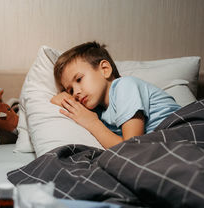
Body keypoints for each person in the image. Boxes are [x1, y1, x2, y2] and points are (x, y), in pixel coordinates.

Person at [51, 41, 181, 149]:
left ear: (105, 69)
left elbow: (131, 148)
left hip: (179, 131)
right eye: (71, 90)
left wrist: (92, 123)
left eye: (79, 79)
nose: (76, 93)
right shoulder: (98, 110)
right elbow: (55, 99)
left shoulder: (124, 86)